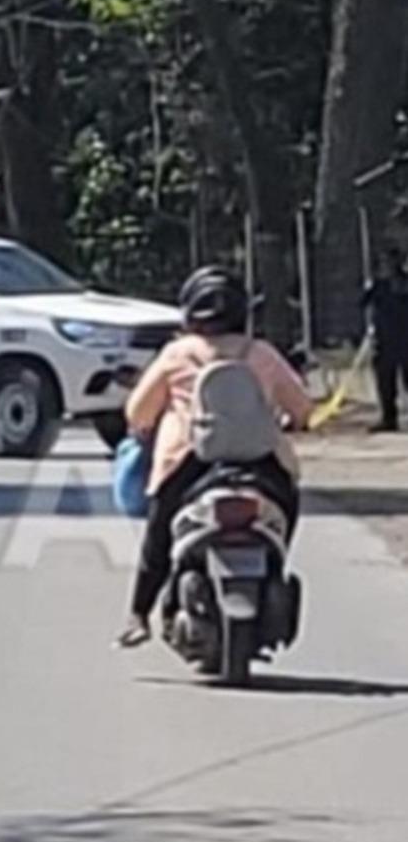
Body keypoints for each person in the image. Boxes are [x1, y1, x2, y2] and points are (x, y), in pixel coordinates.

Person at [115, 268, 314, 648]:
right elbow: (302, 409)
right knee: (286, 510)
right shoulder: (262, 354)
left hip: (187, 465)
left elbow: (137, 414)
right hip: (262, 462)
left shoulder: (176, 354)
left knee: (158, 538)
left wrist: (149, 425)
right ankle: (274, 569)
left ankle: (138, 613)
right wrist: (295, 421)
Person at [362, 244, 408, 432]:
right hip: (385, 341)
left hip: (405, 340)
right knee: (385, 382)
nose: (386, 266)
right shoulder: (379, 286)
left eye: (389, 261)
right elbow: (363, 303)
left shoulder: (405, 284)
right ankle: (389, 418)